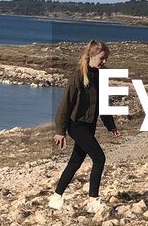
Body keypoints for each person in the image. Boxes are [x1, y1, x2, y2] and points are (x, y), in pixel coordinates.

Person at [49, 38, 121, 213]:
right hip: (76, 125)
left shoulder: (100, 76)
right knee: (99, 158)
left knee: (75, 161)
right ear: (91, 55)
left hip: (89, 126)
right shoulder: (78, 76)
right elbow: (65, 105)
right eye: (102, 58)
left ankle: (56, 197)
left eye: (106, 59)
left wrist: (111, 126)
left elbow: (103, 104)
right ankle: (93, 200)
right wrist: (60, 131)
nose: (104, 62)